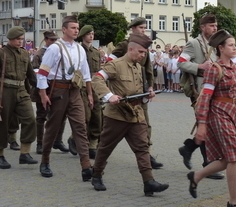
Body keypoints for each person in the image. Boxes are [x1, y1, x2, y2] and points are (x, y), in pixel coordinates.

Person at [91, 32, 169, 196]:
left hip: (136, 113)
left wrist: (147, 95)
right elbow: (97, 78)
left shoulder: (138, 67)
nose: (142, 56)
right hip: (116, 116)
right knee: (105, 148)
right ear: (131, 49)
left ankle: (149, 182)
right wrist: (108, 95)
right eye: (140, 52)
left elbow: (138, 91)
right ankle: (96, 175)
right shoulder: (115, 65)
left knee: (142, 148)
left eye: (145, 53)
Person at [186, 30, 236, 207]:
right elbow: (205, 97)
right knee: (235, 155)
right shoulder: (214, 69)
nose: (235, 48)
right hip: (218, 114)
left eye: (235, 45)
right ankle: (234, 202)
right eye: (231, 45)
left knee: (225, 160)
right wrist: (202, 124)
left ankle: (196, 176)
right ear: (221, 48)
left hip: (234, 114)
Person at [37, 15, 93, 180]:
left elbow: (86, 74)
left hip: (75, 91)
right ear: (64, 29)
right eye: (73, 28)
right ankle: (45, 160)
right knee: (53, 127)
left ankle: (86, 167)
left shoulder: (79, 48)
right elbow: (42, 73)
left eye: (77, 28)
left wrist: (89, 94)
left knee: (80, 128)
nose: (76, 31)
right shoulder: (55, 48)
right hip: (58, 91)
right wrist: (43, 94)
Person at [107, 17, 161, 169]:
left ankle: (147, 154)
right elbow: (109, 63)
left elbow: (148, 69)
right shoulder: (125, 45)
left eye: (145, 28)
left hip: (140, 92)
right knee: (112, 128)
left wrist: (150, 87)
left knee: (145, 124)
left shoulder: (144, 47)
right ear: (133, 29)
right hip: (123, 93)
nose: (144, 30)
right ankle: (96, 148)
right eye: (141, 28)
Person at [177, 14, 224, 180]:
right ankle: (207, 164)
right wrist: (199, 66)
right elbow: (181, 62)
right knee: (207, 126)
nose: (214, 28)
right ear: (203, 27)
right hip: (199, 91)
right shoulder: (194, 44)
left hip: (212, 90)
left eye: (215, 25)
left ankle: (188, 148)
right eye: (211, 26)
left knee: (207, 126)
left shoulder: (215, 45)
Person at [0, 26, 38, 169]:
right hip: (5, 91)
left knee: (30, 120)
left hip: (21, 90)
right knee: (2, 124)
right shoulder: (0, 54)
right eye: (17, 39)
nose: (20, 41)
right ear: (10, 39)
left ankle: (25, 153)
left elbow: (31, 75)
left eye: (22, 39)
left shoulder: (24, 54)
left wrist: (41, 90)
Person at [31, 30, 68, 155]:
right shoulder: (39, 54)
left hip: (57, 87)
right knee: (41, 116)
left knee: (61, 115)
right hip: (43, 88)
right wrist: (43, 89)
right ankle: (40, 143)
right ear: (46, 39)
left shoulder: (59, 51)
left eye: (55, 40)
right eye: (51, 40)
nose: (54, 42)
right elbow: (36, 73)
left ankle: (58, 140)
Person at [68, 25, 102, 159]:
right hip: (81, 85)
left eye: (93, 34)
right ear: (83, 36)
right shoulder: (77, 50)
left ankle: (92, 144)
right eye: (89, 34)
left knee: (97, 116)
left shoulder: (96, 52)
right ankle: (74, 138)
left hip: (95, 86)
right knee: (84, 116)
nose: (91, 36)